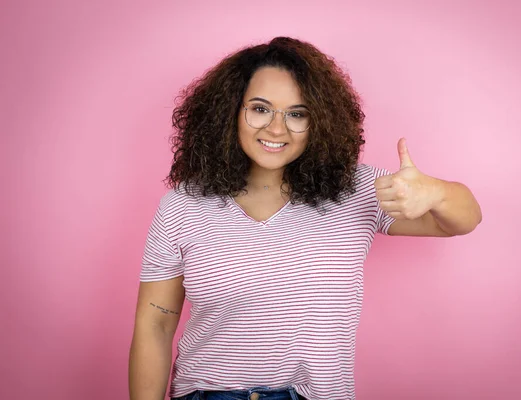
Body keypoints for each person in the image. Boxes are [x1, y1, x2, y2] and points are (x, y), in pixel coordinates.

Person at [128, 36, 482, 400]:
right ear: (230, 111)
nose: (277, 129)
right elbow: (155, 324)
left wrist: (435, 192)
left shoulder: (356, 189)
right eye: (260, 109)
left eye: (297, 114)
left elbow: (464, 219)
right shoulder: (182, 206)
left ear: (320, 122)